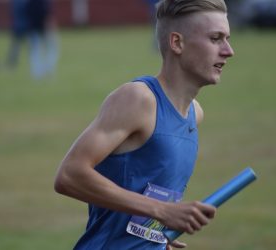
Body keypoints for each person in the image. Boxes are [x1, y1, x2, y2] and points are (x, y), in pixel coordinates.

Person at [54, 0, 235, 249]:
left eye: (226, 38)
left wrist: (154, 238)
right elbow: (69, 175)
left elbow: (142, 203)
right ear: (177, 43)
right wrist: (162, 211)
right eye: (216, 38)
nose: (228, 50)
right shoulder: (138, 99)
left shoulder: (195, 114)